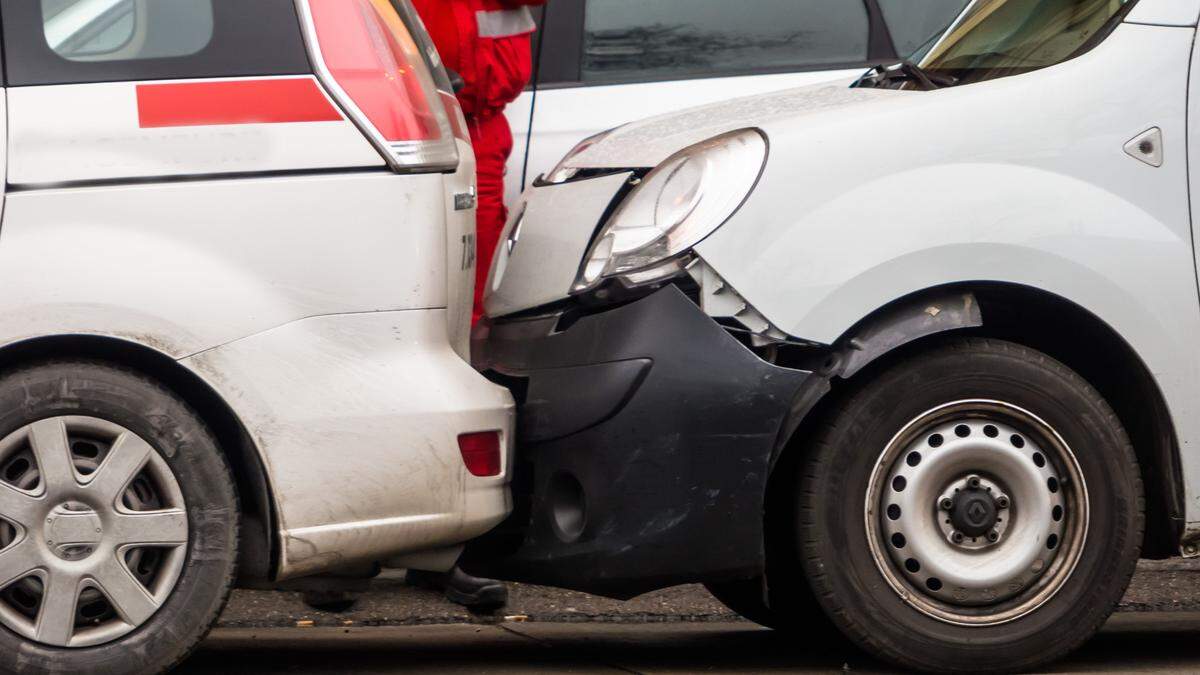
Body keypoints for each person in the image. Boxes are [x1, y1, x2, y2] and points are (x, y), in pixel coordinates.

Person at [409, 0, 545, 609]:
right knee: (382, 331)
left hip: (473, 129)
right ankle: (359, 550)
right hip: (397, 126)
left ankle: (444, 544)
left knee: (462, 345)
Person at [412, 0, 546, 325]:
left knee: (475, 242)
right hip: (406, 113)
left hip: (476, 120)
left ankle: (471, 340)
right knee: (416, 241)